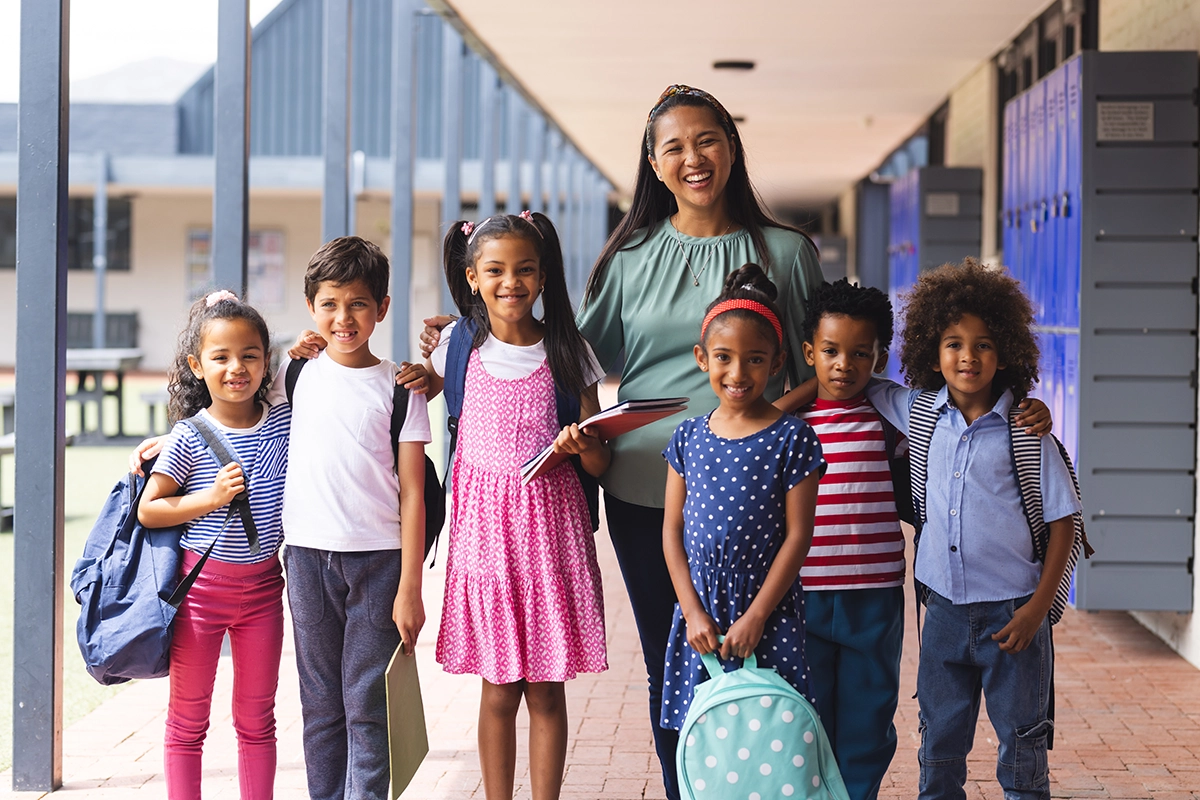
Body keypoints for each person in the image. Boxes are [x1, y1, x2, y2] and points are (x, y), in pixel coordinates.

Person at [419, 85, 826, 798]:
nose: (693, 158)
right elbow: (565, 354)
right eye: (674, 146)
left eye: (708, 140)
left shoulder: (787, 252)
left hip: (759, 494)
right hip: (646, 494)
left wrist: (758, 428)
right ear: (653, 161)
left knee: (771, 656)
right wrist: (464, 335)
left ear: (732, 146)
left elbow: (829, 366)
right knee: (675, 665)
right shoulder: (631, 255)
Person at [864, 260, 1081, 800]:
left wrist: (1038, 609)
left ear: (1005, 352)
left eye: (983, 344)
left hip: (1014, 616)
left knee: (1023, 747)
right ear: (931, 354)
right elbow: (857, 383)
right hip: (942, 611)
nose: (968, 356)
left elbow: (1065, 525)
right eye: (953, 343)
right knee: (938, 745)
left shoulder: (1028, 434)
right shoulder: (917, 412)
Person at [424, 211, 609, 800]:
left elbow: (601, 460)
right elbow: (405, 394)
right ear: (472, 277)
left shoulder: (568, 350)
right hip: (484, 541)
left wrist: (585, 444)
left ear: (544, 275)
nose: (512, 283)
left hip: (552, 538)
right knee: (499, 689)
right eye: (496, 270)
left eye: (525, 270)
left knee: (547, 690)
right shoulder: (455, 345)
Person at [271, 236, 431, 800]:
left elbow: (414, 492)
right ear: (312, 306)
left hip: (380, 564)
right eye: (330, 304)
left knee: (368, 703)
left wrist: (410, 586)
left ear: (382, 308)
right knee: (320, 705)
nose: (344, 318)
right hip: (308, 558)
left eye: (358, 304)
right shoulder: (293, 376)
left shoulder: (400, 387)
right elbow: (225, 407)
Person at [137, 290, 289, 799]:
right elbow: (150, 508)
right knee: (187, 721)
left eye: (249, 355)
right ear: (196, 365)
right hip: (199, 596)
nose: (235, 368)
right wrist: (210, 498)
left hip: (265, 592)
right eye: (220, 357)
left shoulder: (283, 424)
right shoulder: (188, 435)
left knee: (257, 719)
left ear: (266, 361)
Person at [660, 265, 824, 735]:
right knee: (709, 736)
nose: (737, 372)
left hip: (766, 611)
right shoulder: (688, 437)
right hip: (701, 612)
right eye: (723, 357)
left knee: (769, 735)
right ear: (701, 358)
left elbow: (798, 537)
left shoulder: (793, 438)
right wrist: (692, 611)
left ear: (776, 362)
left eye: (754, 359)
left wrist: (756, 616)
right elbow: (671, 532)